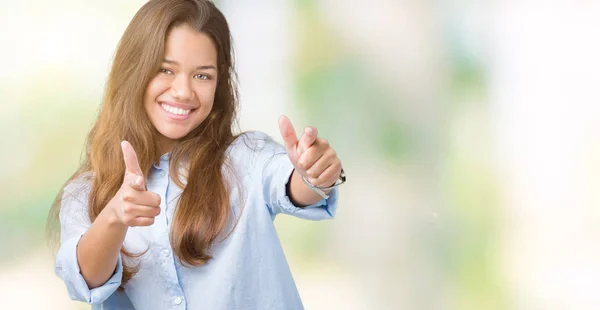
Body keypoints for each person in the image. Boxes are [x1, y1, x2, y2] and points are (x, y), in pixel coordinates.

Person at [47, 0, 346, 309]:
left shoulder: (245, 158)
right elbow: (86, 280)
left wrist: (314, 173)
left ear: (219, 83)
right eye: (165, 70)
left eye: (202, 76)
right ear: (134, 70)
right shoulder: (86, 192)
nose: (183, 92)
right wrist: (114, 216)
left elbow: (293, 184)